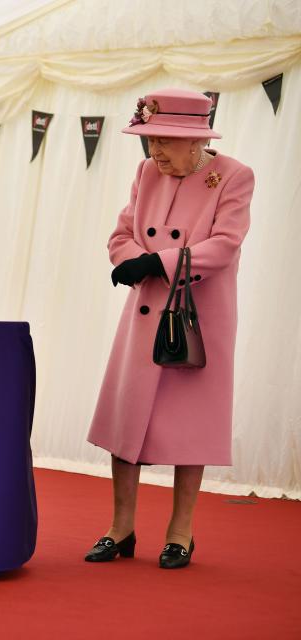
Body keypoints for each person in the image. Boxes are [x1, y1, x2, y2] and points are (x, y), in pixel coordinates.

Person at [85, 89, 254, 569]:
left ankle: (181, 532)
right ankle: (121, 529)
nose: (153, 151)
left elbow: (225, 245)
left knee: (190, 424)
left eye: (162, 140)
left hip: (199, 315)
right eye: (149, 139)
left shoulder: (234, 176)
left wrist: (156, 261)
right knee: (125, 420)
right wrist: (128, 260)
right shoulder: (145, 173)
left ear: (195, 139)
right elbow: (121, 234)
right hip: (146, 312)